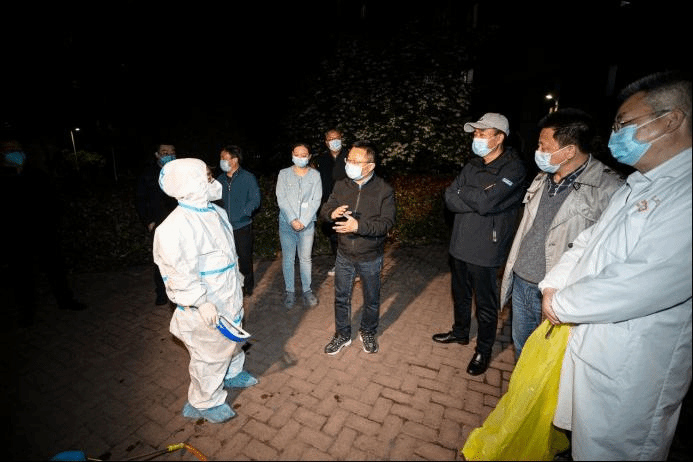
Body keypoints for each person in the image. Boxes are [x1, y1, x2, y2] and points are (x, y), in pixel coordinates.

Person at [540, 71, 692, 460]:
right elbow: (588, 242)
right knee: (584, 444)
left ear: (671, 120)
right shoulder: (636, 185)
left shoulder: (685, 193)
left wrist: (562, 303)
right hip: (594, 345)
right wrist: (554, 284)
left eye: (625, 124)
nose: (615, 134)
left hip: (632, 367)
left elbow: (644, 281)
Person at [499, 108, 624, 360]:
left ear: (569, 151)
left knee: (549, 361)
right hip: (522, 281)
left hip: (558, 293)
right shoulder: (542, 178)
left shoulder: (610, 189)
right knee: (522, 351)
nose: (538, 151)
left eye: (544, 147)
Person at [153, 158, 259, 424]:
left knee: (233, 337)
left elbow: (227, 251)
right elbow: (177, 273)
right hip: (206, 304)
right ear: (190, 183)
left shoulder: (216, 212)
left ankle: (232, 373)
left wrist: (236, 273)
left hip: (228, 293)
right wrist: (200, 302)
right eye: (208, 177)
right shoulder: (173, 228)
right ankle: (204, 402)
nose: (213, 181)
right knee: (208, 355)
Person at [432, 113, 526, 375]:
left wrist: (467, 194)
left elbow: (487, 202)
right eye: (475, 133)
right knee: (460, 295)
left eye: (482, 134)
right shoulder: (472, 165)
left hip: (486, 249)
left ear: (499, 138)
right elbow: (450, 197)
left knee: (485, 305)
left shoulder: (513, 168)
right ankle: (460, 332)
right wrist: (476, 197)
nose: (477, 138)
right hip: (459, 244)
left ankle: (483, 350)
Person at [1, 137, 87, 328]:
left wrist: (53, 222)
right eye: (9, 151)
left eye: (16, 150)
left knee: (56, 269)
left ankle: (65, 300)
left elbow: (53, 200)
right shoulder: (4, 180)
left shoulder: (36, 175)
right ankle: (27, 312)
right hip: (17, 237)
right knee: (23, 276)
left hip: (44, 232)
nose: (14, 154)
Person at [320, 141, 396, 355]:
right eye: (349, 160)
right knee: (341, 298)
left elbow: (387, 223)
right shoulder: (341, 185)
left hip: (370, 256)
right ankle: (342, 335)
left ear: (370, 166)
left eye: (355, 161)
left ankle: (368, 331)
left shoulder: (384, 190)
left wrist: (358, 226)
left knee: (371, 299)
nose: (349, 164)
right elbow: (325, 209)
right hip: (344, 254)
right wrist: (331, 213)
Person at [276, 142, 322, 309]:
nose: (300, 157)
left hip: (307, 225)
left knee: (305, 258)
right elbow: (281, 198)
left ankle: (307, 290)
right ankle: (290, 291)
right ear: (292, 155)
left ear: (309, 156)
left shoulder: (315, 175)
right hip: (286, 224)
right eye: (297, 154)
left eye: (304, 155)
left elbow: (316, 200)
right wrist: (293, 219)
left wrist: (303, 220)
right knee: (288, 259)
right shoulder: (283, 174)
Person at [135, 143, 178, 305]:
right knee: (161, 259)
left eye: (171, 152)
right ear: (157, 155)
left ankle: (179, 290)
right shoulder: (147, 174)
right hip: (159, 223)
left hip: (179, 221)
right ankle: (161, 292)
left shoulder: (179, 171)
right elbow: (140, 200)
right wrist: (148, 221)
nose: (168, 155)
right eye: (164, 152)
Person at [217, 144, 261, 297]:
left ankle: (247, 286)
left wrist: (244, 213)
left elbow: (255, 199)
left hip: (242, 226)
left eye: (224, 158)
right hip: (223, 227)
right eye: (221, 158)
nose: (221, 161)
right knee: (227, 259)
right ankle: (233, 286)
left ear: (234, 159)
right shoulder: (219, 180)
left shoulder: (248, 177)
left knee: (244, 258)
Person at [315, 129, 348, 276]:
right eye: (330, 139)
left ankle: (354, 267)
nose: (334, 141)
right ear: (326, 142)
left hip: (349, 203)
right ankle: (339, 264)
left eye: (337, 138)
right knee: (334, 236)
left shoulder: (350, 156)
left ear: (341, 139)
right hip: (330, 205)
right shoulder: (321, 161)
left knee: (349, 235)